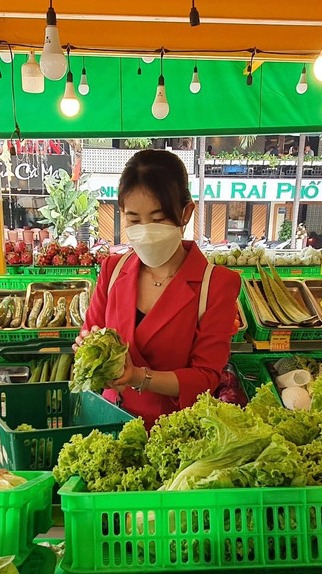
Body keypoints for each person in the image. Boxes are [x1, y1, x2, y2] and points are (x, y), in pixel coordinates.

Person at [82, 149, 242, 428]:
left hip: (173, 431)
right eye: (133, 219)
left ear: (185, 213)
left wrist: (139, 377)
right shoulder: (112, 269)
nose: (145, 230)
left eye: (157, 220)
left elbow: (206, 375)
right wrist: (88, 347)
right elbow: (90, 329)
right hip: (109, 420)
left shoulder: (216, 284)